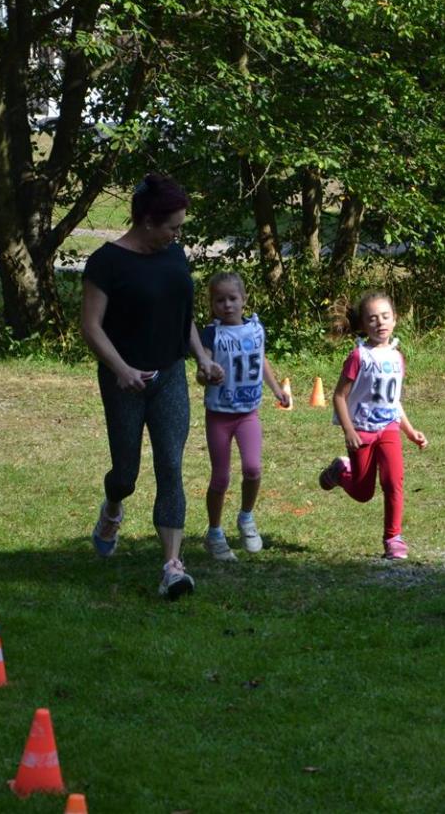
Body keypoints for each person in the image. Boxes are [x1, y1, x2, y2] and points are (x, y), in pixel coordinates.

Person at [80, 173, 217, 600]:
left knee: (170, 466)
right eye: (173, 227)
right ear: (147, 221)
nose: (178, 235)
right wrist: (120, 369)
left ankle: (172, 566)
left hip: (169, 376)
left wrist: (202, 357)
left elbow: (183, 316)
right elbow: (91, 326)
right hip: (124, 382)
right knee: (126, 474)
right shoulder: (106, 263)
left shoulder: (174, 255)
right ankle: (112, 508)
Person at [318, 291, 428, 560]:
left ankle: (393, 539)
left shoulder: (397, 358)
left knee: (393, 482)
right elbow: (339, 396)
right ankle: (340, 472)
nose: (380, 323)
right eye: (373, 318)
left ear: (395, 319)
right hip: (361, 430)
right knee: (363, 492)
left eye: (385, 316)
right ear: (363, 324)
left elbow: (393, 401)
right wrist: (349, 430)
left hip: (388, 428)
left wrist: (410, 431)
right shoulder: (359, 356)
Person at [196, 272, 290, 562]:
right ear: (212, 304)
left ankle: (246, 517)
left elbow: (261, 360)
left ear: (244, 300)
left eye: (232, 298)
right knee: (220, 477)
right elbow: (201, 370)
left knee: (253, 469)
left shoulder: (255, 329)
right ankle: (214, 532)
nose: (227, 305)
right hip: (219, 415)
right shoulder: (211, 334)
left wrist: (277, 389)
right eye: (219, 300)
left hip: (248, 413)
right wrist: (206, 374)